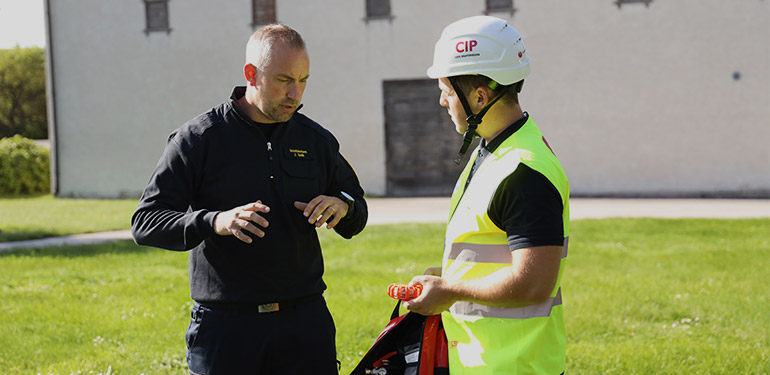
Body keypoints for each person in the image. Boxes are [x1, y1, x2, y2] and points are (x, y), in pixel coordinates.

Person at [131, 23, 367, 374]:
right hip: (226, 328)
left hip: (305, 324)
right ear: (251, 74)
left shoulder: (317, 141)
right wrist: (215, 221)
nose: (295, 93)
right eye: (284, 80)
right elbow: (146, 222)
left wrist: (342, 205)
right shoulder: (198, 139)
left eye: (303, 80)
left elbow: (357, 208)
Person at [402, 16, 570, 374]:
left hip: (512, 364)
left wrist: (450, 289)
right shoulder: (494, 150)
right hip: (487, 360)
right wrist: (451, 274)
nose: (443, 102)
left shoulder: (523, 170)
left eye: (448, 91)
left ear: (480, 96)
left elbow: (534, 281)